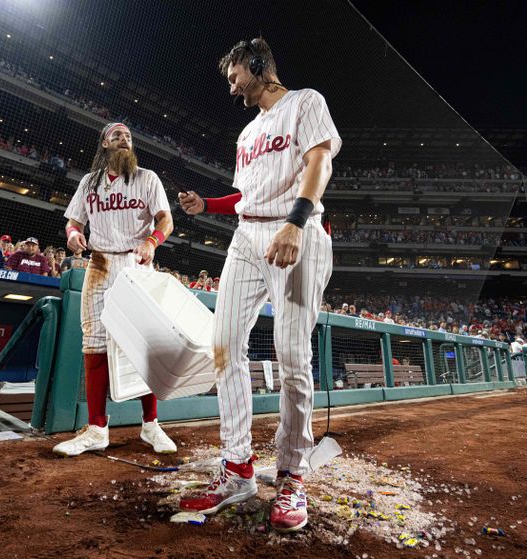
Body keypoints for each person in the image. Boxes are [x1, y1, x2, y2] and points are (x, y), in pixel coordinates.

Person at [177, 37, 341, 533]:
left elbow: (319, 163)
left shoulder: (305, 102)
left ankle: (292, 473)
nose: (231, 88)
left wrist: (296, 221)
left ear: (256, 66)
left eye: (235, 77)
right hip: (247, 235)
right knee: (224, 345)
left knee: (292, 357)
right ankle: (238, 468)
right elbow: (247, 195)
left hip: (297, 230)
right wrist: (209, 205)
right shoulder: (247, 132)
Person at [53, 122, 176, 457]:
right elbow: (74, 221)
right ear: (104, 143)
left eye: (129, 137)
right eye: (118, 135)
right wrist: (72, 235)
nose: (125, 139)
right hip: (100, 263)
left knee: (144, 344)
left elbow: (166, 220)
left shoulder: (147, 178)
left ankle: (150, 424)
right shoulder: (89, 182)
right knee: (93, 344)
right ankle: (97, 428)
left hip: (137, 263)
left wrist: (153, 241)